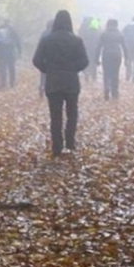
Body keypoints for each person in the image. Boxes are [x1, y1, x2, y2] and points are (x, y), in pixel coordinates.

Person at [32, 10, 89, 157]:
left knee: (55, 116)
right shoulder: (76, 40)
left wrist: (48, 69)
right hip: (71, 81)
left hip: (53, 81)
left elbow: (36, 60)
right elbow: (85, 61)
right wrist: (73, 69)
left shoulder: (46, 40)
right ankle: (70, 143)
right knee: (72, 113)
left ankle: (57, 146)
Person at [95, 19, 129, 100]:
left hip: (106, 55)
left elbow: (98, 47)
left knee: (106, 73)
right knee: (115, 74)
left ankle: (106, 88)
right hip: (117, 55)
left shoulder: (104, 34)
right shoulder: (119, 34)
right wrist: (126, 59)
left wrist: (96, 58)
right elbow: (124, 47)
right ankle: (115, 92)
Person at [0, 19, 22, 89]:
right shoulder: (13, 30)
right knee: (11, 67)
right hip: (10, 50)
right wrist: (19, 51)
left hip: (1, 51)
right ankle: (12, 83)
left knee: (2, 67)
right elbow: (17, 41)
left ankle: (3, 83)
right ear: (9, 23)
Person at [78, 16, 101, 82]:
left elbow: (80, 36)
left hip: (86, 46)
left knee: (86, 59)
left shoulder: (83, 27)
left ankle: (86, 73)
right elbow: (100, 35)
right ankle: (94, 75)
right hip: (94, 46)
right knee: (93, 60)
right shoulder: (96, 26)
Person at [38, 19, 54, 96]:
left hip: (45, 57)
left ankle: (42, 86)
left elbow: (40, 45)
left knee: (43, 74)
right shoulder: (54, 33)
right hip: (52, 57)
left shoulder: (44, 33)